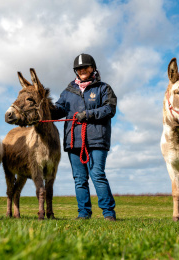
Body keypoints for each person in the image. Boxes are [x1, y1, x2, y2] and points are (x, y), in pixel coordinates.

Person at [51, 53, 117, 221]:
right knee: (79, 179)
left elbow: (109, 109)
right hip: (74, 140)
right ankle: (83, 213)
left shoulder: (103, 88)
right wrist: (45, 109)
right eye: (79, 68)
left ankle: (108, 213)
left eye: (85, 67)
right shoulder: (68, 91)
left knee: (97, 175)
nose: (82, 70)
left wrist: (87, 114)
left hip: (96, 139)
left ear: (93, 68)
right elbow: (59, 110)